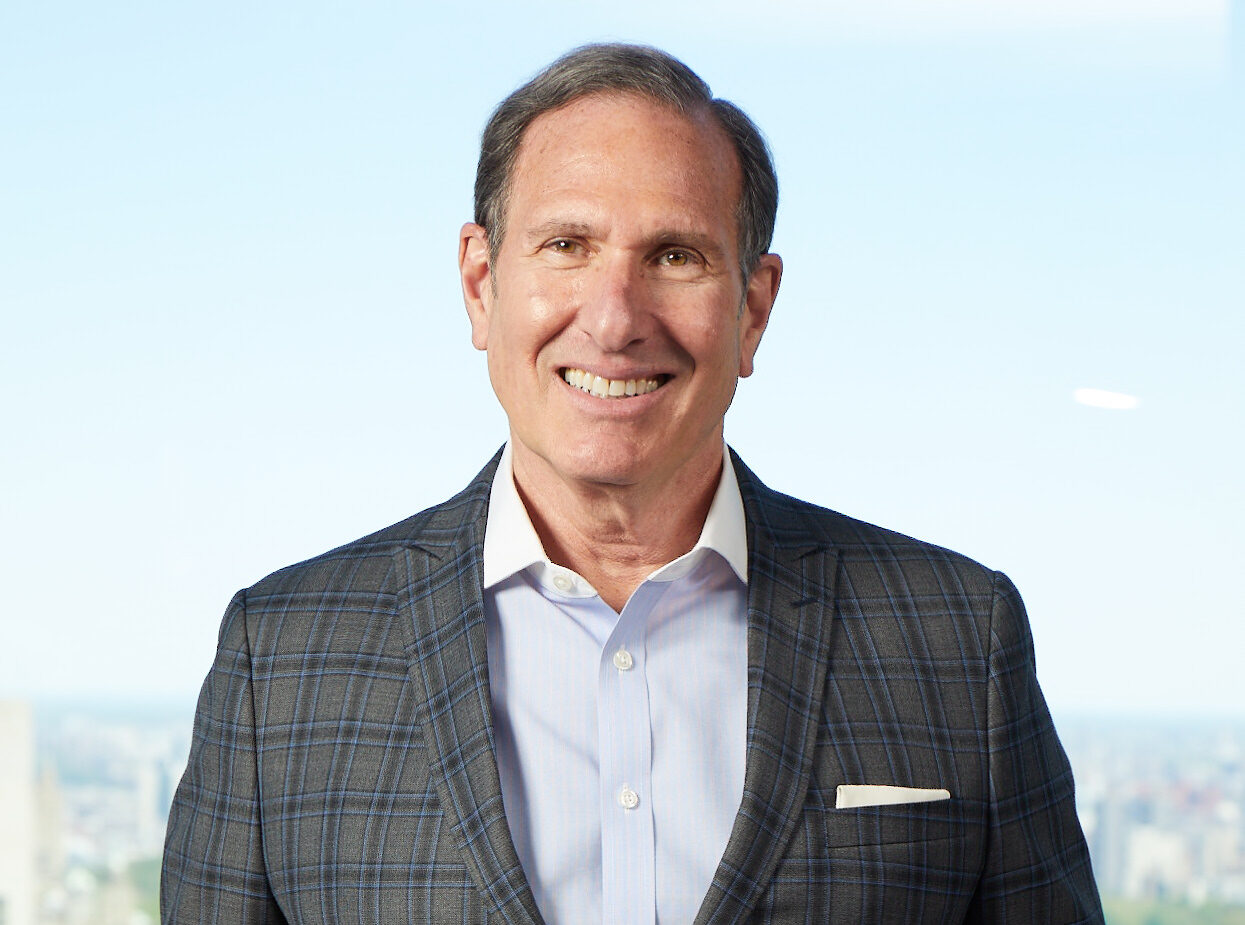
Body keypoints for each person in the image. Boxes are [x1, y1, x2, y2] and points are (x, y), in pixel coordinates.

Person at [161, 43, 1104, 924]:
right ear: (481, 285)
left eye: (675, 256)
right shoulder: (278, 659)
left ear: (754, 309)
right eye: (566, 245)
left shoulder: (956, 636)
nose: (613, 320)